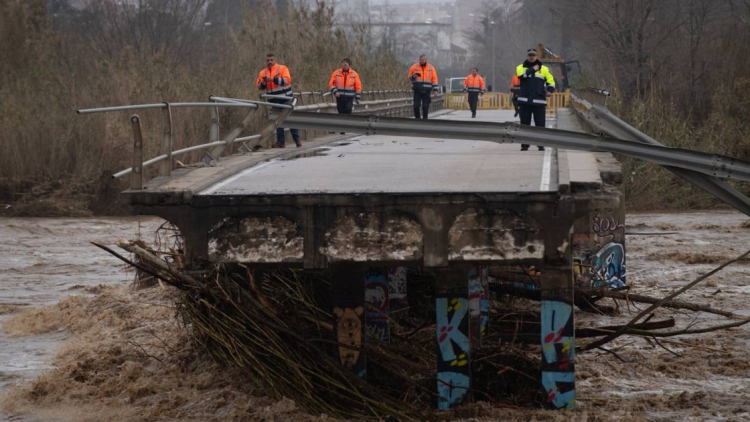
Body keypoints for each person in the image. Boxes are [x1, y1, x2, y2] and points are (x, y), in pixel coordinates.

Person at [256, 53, 301, 148]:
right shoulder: (262, 73)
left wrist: (273, 79)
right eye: (268, 60)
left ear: (275, 60)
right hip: (274, 100)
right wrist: (264, 82)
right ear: (266, 61)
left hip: (286, 98)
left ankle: (297, 139)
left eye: (271, 60)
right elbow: (259, 86)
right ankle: (281, 142)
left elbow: (287, 80)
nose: (270, 62)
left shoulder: (282, 68)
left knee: (290, 118)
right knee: (278, 121)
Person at [515, 48, 556, 151]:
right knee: (524, 124)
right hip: (524, 101)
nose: (531, 57)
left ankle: (540, 144)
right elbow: (521, 77)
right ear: (527, 56)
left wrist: (550, 90)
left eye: (533, 55)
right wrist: (533, 69)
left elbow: (551, 81)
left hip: (539, 101)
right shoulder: (520, 67)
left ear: (536, 56)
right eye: (530, 55)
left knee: (540, 125)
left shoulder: (544, 69)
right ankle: (525, 145)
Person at [408, 54, 438, 119]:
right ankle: (417, 119)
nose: (421, 61)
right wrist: (413, 76)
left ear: (425, 60)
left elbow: (434, 79)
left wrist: (435, 90)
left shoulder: (431, 68)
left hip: (426, 91)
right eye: (420, 60)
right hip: (417, 90)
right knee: (416, 106)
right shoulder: (414, 67)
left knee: (425, 106)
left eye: (423, 60)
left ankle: (425, 120)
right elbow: (409, 77)